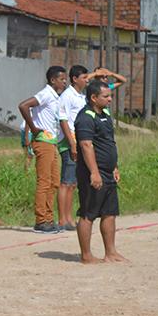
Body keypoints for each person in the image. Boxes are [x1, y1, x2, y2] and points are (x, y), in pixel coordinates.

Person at [74, 81, 125, 264]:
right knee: (88, 214)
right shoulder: (85, 117)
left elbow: (108, 143)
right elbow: (86, 145)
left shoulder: (105, 114)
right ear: (94, 98)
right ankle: (86, 255)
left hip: (108, 172)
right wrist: (94, 173)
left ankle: (111, 252)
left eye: (110, 96)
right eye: (106, 96)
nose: (110, 99)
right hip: (93, 173)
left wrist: (114, 166)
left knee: (109, 213)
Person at [18, 66, 68, 233]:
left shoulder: (56, 97)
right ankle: (41, 220)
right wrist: (32, 128)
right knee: (44, 182)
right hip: (43, 142)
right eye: (62, 79)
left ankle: (48, 218)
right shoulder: (46, 94)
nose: (64, 82)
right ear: (53, 80)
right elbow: (24, 105)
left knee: (54, 182)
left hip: (51, 142)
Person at [56, 65, 91, 230]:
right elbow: (63, 120)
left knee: (72, 183)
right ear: (75, 79)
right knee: (66, 181)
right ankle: (62, 219)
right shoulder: (67, 96)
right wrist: (72, 143)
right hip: (69, 141)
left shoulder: (81, 97)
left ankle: (69, 217)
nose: (87, 80)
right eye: (84, 77)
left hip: (78, 140)